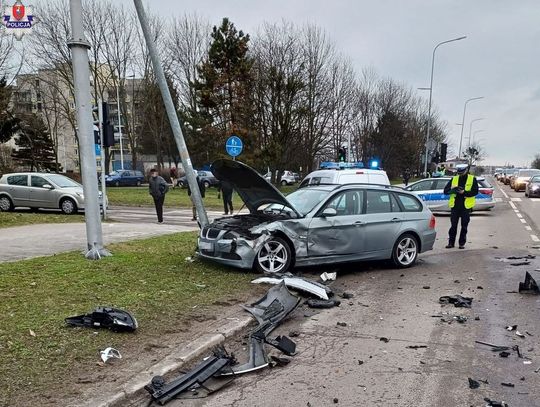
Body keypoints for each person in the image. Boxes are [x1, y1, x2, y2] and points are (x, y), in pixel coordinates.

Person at [443, 164, 478, 249]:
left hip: (465, 207)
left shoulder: (472, 179)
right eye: (459, 173)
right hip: (455, 206)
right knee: (453, 226)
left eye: (462, 172)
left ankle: (461, 243)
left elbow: (475, 191)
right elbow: (445, 191)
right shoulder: (454, 179)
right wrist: (453, 190)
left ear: (466, 170)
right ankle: (451, 243)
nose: (460, 174)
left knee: (464, 226)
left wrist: (464, 192)